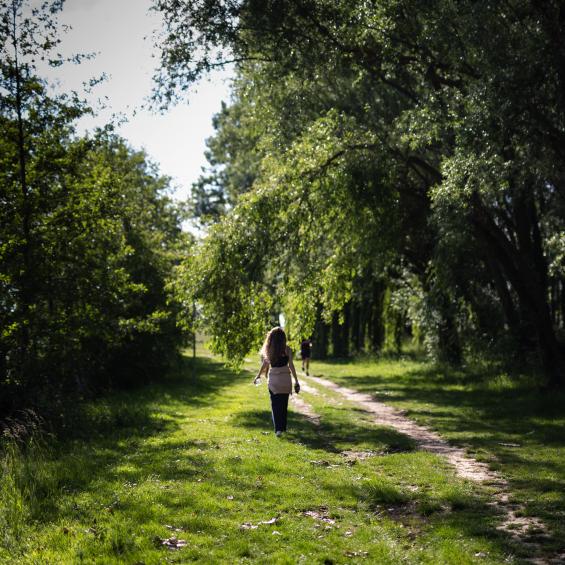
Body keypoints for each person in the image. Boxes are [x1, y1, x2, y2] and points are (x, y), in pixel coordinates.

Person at [253, 327, 300, 437]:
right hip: (285, 381)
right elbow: (291, 365)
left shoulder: (270, 350)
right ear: (283, 338)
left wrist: (258, 376)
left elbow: (265, 365)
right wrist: (296, 381)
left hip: (274, 381)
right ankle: (283, 428)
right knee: (284, 405)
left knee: (275, 405)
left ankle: (278, 430)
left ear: (271, 338)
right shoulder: (287, 349)